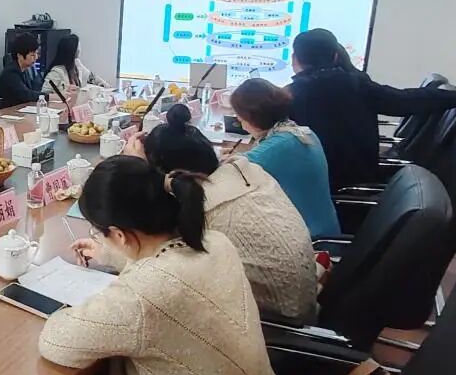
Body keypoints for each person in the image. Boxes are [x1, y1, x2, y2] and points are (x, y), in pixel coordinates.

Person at [38, 155, 286, 375]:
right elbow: (161, 261)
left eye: (100, 233)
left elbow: (57, 341)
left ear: (120, 234)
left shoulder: (145, 294)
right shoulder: (215, 242)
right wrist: (115, 256)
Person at [129, 104, 318, 323]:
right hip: (302, 306)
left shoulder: (199, 210)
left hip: (271, 326)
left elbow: (144, 257)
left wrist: (137, 170)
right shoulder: (248, 173)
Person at [287, 28, 456, 190]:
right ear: (335, 56)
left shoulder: (291, 96)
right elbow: (411, 100)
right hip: (358, 175)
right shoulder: (357, 84)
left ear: (295, 59)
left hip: (325, 186)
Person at [230, 78, 341, 239]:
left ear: (252, 118)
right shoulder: (299, 132)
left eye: (240, 118)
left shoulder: (280, 146)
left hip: (308, 240)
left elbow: (230, 172)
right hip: (318, 226)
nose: (240, 123)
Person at [42, 33, 109, 96]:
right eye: (78, 47)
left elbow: (91, 77)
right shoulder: (57, 72)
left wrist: (105, 85)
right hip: (61, 103)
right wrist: (64, 93)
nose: (79, 50)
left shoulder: (77, 64)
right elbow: (44, 94)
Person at [0, 32, 44, 105]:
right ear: (20, 56)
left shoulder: (25, 70)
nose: (36, 58)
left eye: (37, 54)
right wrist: (47, 96)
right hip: (4, 110)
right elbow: (25, 95)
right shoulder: (10, 73)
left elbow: (34, 89)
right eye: (32, 55)